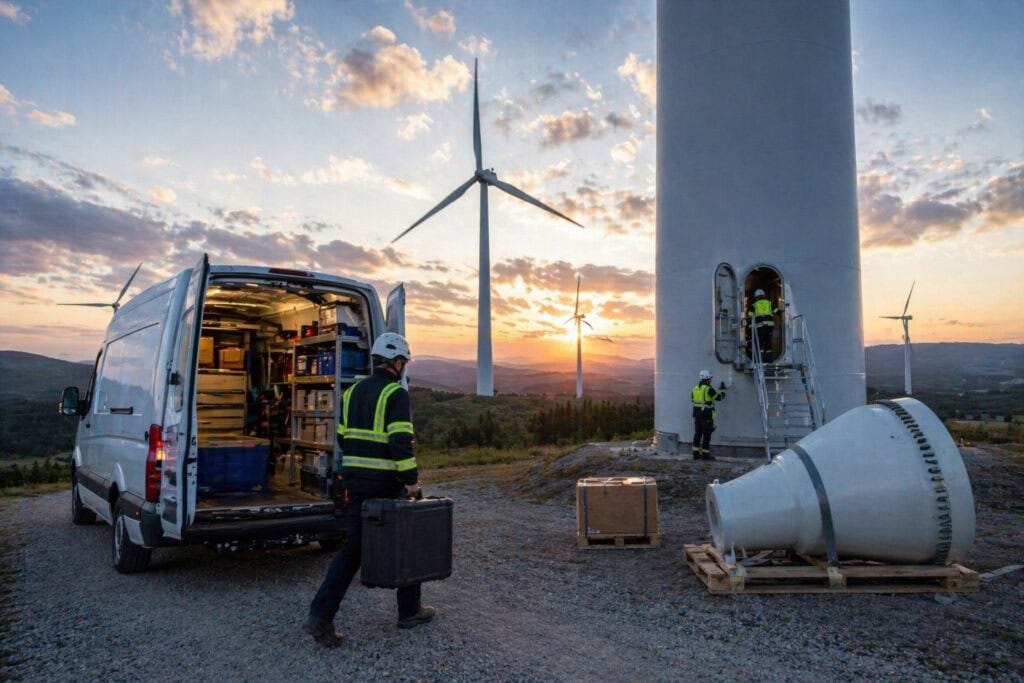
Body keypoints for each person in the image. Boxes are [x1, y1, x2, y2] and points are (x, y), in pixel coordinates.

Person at [303, 332, 435, 647]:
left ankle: (321, 615)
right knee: (408, 543)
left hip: (354, 484)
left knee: (352, 550)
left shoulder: (352, 393)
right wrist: (412, 481)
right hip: (386, 484)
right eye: (404, 362)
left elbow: (342, 439)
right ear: (398, 362)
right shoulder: (396, 394)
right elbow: (400, 442)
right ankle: (409, 611)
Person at [691, 369, 726, 460]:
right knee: (706, 435)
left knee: (698, 434)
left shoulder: (695, 388)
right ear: (707, 379)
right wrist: (723, 390)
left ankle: (696, 454)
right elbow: (719, 398)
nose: (711, 380)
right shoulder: (708, 389)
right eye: (710, 378)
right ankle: (706, 455)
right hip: (706, 415)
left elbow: (692, 400)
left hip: (697, 414)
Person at [748, 289, 779, 363]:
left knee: (759, 343)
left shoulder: (754, 305)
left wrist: (749, 327)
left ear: (756, 297)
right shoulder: (769, 303)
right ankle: (769, 359)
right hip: (769, 326)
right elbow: (776, 311)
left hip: (759, 327)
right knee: (768, 343)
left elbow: (750, 317)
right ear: (764, 295)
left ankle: (759, 359)